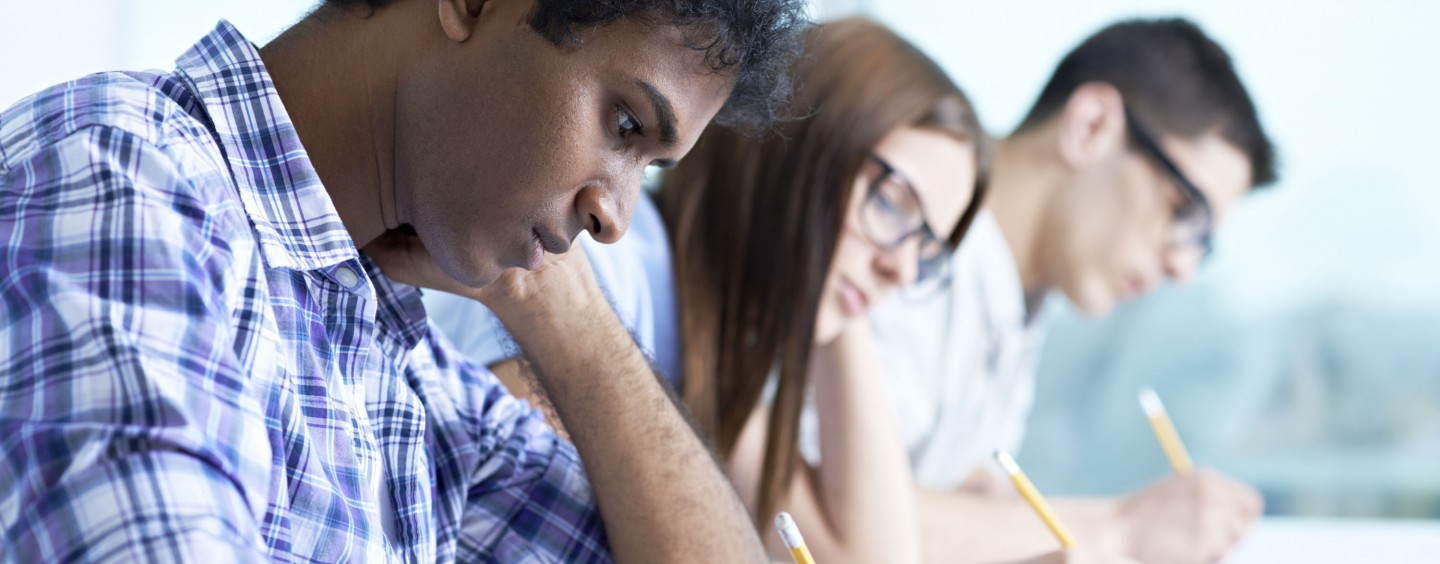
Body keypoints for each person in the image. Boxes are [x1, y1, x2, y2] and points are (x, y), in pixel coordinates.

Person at [0, 0, 811, 561]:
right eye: (625, 124)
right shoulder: (122, 176)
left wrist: (570, 321)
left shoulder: (398, 370)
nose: (615, 219)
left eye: (651, 168)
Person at [431, 18, 1135, 564]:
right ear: (799, 148)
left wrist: (841, 281)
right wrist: (827, 239)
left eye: (927, 250)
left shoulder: (725, 344)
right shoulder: (615, 259)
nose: (901, 269)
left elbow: (875, 553)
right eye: (894, 203)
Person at [839, 18, 1279, 564]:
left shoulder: (1022, 299)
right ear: (1091, 126)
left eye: (1202, 243)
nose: (1183, 267)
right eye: (1183, 211)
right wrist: (1123, 528)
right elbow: (822, 514)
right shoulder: (896, 257)